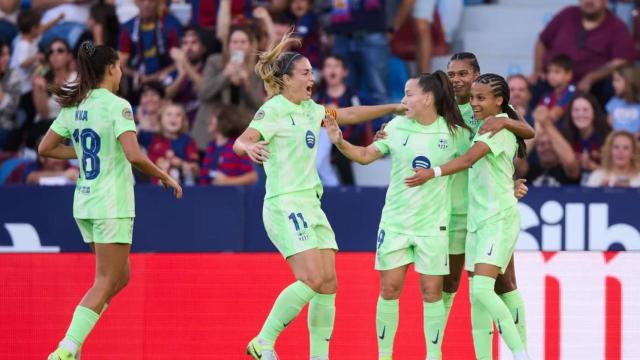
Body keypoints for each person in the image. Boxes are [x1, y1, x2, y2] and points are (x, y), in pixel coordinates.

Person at [233, 32, 403, 360]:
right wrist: (249, 147)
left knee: (328, 283)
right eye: (306, 73)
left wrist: (394, 107)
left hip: (311, 204)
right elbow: (241, 140)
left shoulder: (312, 109)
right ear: (286, 80)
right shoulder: (274, 109)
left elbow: (349, 115)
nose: (313, 77)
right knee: (311, 278)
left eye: (312, 72)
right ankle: (262, 342)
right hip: (285, 203)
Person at [39, 41, 181, 360]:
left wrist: (85, 151)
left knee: (121, 277)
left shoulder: (74, 106)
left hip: (85, 203)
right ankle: (67, 348)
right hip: (111, 204)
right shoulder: (117, 105)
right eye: (118, 68)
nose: (119, 74)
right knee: (105, 281)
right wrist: (165, 175)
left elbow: (45, 148)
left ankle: (74, 343)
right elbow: (133, 154)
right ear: (111, 68)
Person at [326, 71, 471, 360]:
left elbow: (478, 159)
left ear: (427, 98)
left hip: (434, 225)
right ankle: (384, 356)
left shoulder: (455, 134)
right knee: (389, 289)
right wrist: (340, 141)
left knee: (432, 293)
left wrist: (512, 182)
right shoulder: (396, 127)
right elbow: (367, 156)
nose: (403, 100)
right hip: (396, 223)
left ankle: (433, 355)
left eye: (409, 93)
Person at [411, 73, 531, 360]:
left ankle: (520, 353)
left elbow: (467, 160)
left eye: (481, 98)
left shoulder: (497, 129)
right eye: (474, 98)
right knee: (478, 297)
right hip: (477, 222)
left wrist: (433, 173)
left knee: (482, 289)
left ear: (499, 101)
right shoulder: (487, 125)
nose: (475, 103)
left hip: (497, 219)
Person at [444, 52, 533, 358]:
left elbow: (529, 132)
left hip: (492, 213)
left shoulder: (490, 109)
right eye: (451, 74)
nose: (456, 80)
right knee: (479, 292)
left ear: (476, 74)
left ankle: (522, 352)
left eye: (462, 74)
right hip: (466, 214)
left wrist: (503, 119)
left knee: (503, 284)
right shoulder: (444, 106)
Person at [531, 0, 635, 105]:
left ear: (605, 2)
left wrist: (591, 77)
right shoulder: (567, 14)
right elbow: (541, 42)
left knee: (609, 86)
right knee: (533, 86)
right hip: (554, 78)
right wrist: (537, 70)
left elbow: (621, 60)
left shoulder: (616, 26)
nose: (589, 1)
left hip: (591, 85)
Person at [192, 25, 265, 150]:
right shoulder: (214, 62)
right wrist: (225, 75)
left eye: (243, 42)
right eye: (234, 42)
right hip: (213, 128)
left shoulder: (256, 69)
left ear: (250, 46)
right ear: (228, 45)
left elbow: (259, 104)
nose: (239, 46)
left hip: (241, 128)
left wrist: (246, 82)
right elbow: (203, 94)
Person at [314, 54, 364, 186]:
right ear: (323, 72)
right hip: (324, 139)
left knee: (343, 158)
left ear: (344, 72)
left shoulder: (351, 94)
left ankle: (349, 191)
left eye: (336, 66)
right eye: (328, 66)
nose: (332, 70)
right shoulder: (319, 96)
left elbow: (360, 119)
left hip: (346, 138)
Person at [138, 103, 200, 185]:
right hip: (154, 188)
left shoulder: (188, 141)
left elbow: (196, 168)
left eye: (178, 115)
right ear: (160, 119)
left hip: (182, 188)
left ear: (183, 121)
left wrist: (182, 164)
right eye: (169, 114)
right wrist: (157, 162)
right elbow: (132, 136)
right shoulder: (152, 138)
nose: (173, 118)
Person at [199, 105, 257, 185]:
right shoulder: (211, 146)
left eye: (214, 117)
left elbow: (253, 176)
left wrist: (228, 181)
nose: (209, 120)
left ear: (224, 120)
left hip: (232, 194)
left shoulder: (237, 146)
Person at [561, 92, 611, 184]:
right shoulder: (564, 138)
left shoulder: (607, 139)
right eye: (576, 110)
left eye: (585, 110)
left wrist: (592, 166)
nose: (581, 114)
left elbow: (616, 174)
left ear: (594, 112)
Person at [519, 114, 581, 186]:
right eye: (542, 144)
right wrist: (536, 133)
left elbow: (570, 161)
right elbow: (516, 160)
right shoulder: (528, 171)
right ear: (536, 149)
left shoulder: (566, 172)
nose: (546, 148)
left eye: (550, 143)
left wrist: (547, 125)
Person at [534, 54, 576, 124]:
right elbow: (538, 114)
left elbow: (555, 114)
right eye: (549, 71)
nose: (551, 76)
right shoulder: (547, 95)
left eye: (557, 72)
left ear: (569, 75)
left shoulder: (572, 91)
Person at [606, 64, 640, 138]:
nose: (613, 84)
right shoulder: (613, 102)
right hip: (617, 140)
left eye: (617, 80)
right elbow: (609, 121)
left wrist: (634, 136)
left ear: (629, 80)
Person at [0, 39, 21, 151]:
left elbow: (10, 110)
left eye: (8, 54)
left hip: (6, 127)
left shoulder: (13, 75)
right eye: (2, 55)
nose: (7, 58)